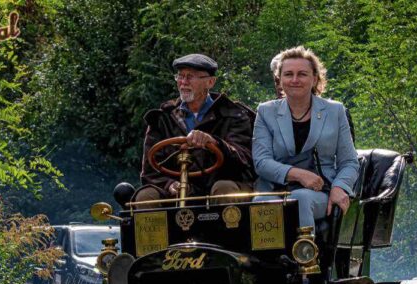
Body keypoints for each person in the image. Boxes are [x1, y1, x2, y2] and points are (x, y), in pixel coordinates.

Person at [253, 46, 359, 231]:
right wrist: (298, 174)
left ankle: (306, 257)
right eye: (288, 74)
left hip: (320, 189)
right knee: (261, 202)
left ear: (315, 78)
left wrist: (339, 188)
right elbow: (261, 162)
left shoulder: (335, 111)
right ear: (279, 80)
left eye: (302, 74)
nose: (294, 80)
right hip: (275, 188)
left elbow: (349, 162)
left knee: (300, 199)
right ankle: (266, 260)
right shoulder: (265, 111)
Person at [134, 54, 256, 205]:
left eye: (190, 77)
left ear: (210, 82)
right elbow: (150, 171)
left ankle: (229, 229)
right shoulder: (162, 119)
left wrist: (214, 143)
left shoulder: (234, 114)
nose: (183, 83)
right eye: (180, 76)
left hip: (219, 186)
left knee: (224, 189)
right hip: (175, 191)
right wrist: (169, 184)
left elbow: (245, 161)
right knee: (146, 197)